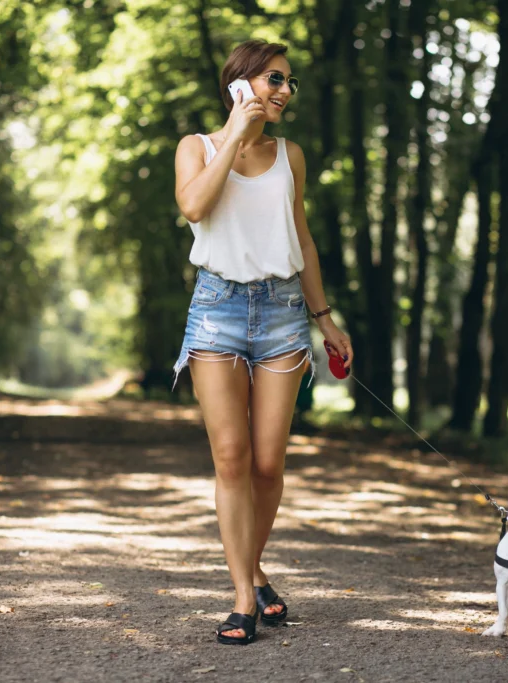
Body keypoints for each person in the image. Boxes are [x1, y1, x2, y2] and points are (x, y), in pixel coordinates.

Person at [172, 39, 353, 645]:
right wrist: (233, 135)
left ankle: (250, 569)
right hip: (217, 311)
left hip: (281, 314)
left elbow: (300, 236)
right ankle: (244, 596)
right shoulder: (195, 148)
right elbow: (195, 207)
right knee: (232, 458)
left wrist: (325, 317)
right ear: (241, 83)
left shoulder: (289, 155)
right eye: (274, 79)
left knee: (269, 464)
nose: (284, 91)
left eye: (289, 82)